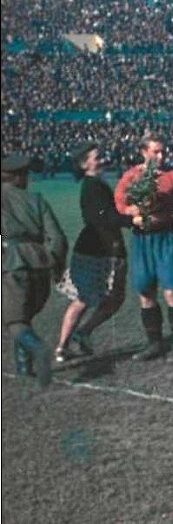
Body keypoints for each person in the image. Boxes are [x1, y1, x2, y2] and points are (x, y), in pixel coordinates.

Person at [113, 134, 173, 363]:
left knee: (172, 292)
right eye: (156, 151)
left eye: (163, 151)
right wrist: (132, 212)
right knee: (145, 292)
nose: (161, 156)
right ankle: (154, 343)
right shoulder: (131, 176)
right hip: (142, 239)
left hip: (167, 238)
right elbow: (119, 203)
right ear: (143, 152)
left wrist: (167, 213)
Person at [54, 143, 133, 362]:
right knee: (101, 299)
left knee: (90, 298)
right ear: (84, 163)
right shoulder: (93, 186)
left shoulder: (94, 184)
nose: (103, 159)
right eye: (97, 157)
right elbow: (104, 219)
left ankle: (70, 341)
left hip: (94, 248)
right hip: (102, 250)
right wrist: (132, 219)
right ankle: (74, 338)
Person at [1, 153, 68, 387]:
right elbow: (58, 238)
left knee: (13, 320)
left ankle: (38, 350)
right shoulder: (37, 200)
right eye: (25, 175)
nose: (28, 179)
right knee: (24, 315)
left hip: (12, 264)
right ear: (16, 177)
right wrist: (54, 262)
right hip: (40, 263)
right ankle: (23, 366)